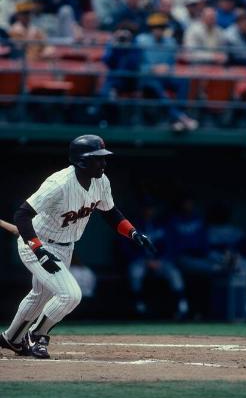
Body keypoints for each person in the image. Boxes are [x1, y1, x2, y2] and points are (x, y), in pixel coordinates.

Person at [0, 135, 155, 359]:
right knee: (70, 295)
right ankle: (37, 335)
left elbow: (110, 213)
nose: (103, 163)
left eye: (103, 158)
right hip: (37, 244)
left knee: (40, 296)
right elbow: (22, 214)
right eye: (97, 159)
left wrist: (133, 232)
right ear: (82, 161)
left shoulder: (101, 181)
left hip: (65, 246)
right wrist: (37, 248)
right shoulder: (59, 183)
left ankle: (12, 339)